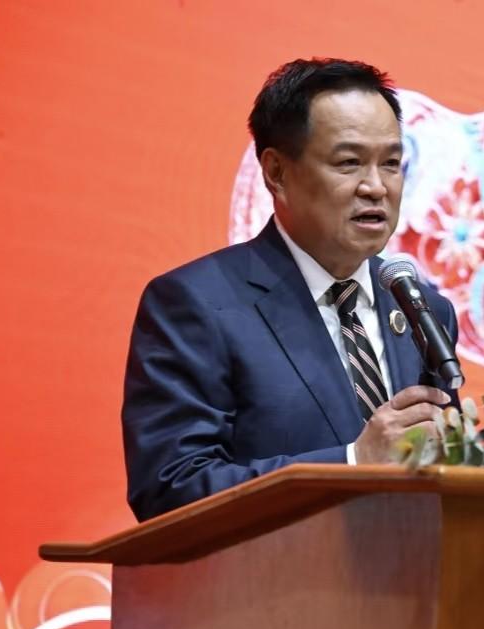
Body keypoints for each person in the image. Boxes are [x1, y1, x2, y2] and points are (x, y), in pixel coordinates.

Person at [122, 58, 459, 521]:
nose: (377, 187)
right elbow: (171, 486)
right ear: (276, 172)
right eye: (349, 163)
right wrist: (353, 462)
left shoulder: (424, 308)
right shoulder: (196, 304)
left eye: (391, 164)